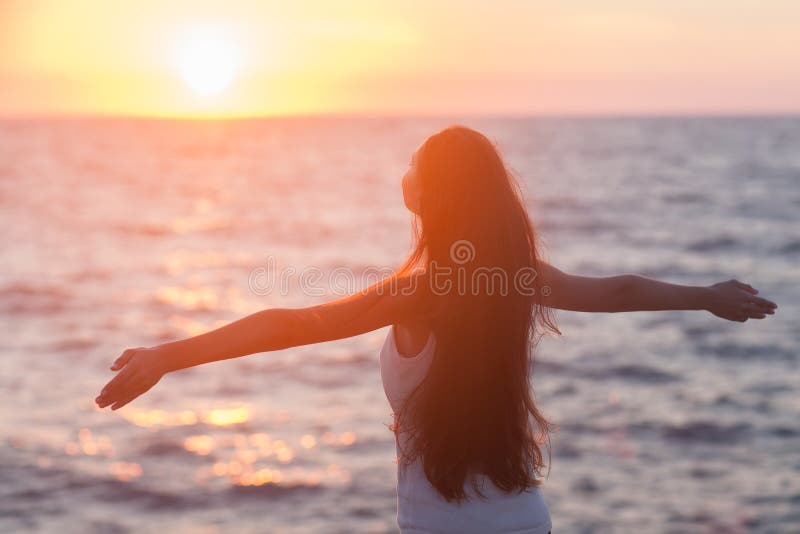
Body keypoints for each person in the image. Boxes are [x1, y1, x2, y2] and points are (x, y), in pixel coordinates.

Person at [95, 125, 777, 533]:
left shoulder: (420, 294)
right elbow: (619, 290)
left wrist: (168, 355)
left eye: (416, 166)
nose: (406, 173)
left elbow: (292, 324)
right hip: (523, 520)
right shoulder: (517, 278)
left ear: (431, 192)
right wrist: (705, 296)